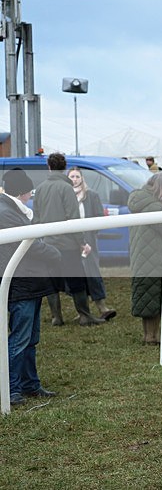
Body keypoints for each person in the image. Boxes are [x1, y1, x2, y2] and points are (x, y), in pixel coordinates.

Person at [1, 168, 62, 406]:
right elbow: (30, 245)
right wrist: (55, 253)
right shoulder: (7, 212)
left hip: (29, 282)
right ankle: (12, 388)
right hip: (22, 283)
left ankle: (29, 384)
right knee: (20, 338)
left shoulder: (13, 210)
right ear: (23, 191)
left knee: (30, 338)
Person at [34, 153, 106, 326]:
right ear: (64, 168)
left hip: (48, 244)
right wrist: (82, 242)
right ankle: (84, 315)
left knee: (52, 282)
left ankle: (56, 317)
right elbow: (73, 218)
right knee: (76, 280)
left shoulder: (40, 188)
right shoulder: (66, 188)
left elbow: (36, 218)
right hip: (67, 245)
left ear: (49, 167)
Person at [128, 173, 162, 344]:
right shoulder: (154, 207)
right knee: (155, 298)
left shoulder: (140, 201)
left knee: (146, 298)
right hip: (155, 258)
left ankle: (148, 334)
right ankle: (152, 336)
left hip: (141, 258)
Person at [67, 167, 116, 321]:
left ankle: (102, 306)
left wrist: (90, 233)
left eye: (77, 176)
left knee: (93, 273)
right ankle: (82, 311)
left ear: (82, 178)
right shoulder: (66, 196)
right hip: (71, 241)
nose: (75, 179)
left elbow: (99, 217)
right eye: (72, 176)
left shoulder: (91, 195)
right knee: (77, 275)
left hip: (88, 239)